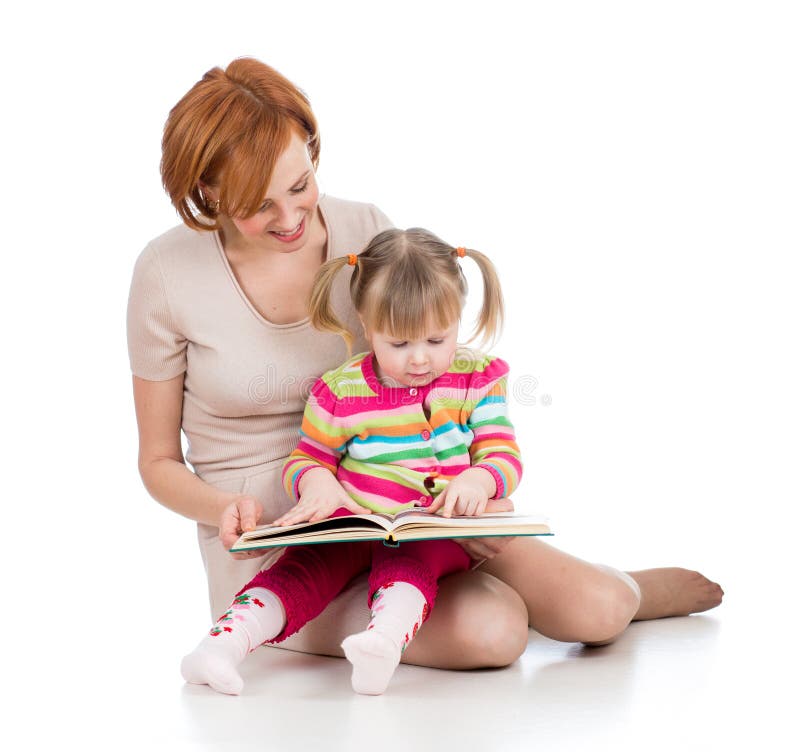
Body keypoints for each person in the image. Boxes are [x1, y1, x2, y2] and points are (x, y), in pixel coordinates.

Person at [127, 57, 722, 677]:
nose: (290, 219)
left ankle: (622, 589)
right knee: (494, 631)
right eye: (257, 204)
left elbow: (436, 376)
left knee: (598, 609)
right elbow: (157, 462)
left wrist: (475, 485)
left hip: (409, 506)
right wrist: (224, 507)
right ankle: (305, 621)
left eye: (301, 186)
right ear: (208, 190)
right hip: (278, 547)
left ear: (313, 150)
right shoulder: (166, 273)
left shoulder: (364, 230)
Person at [181, 228, 523, 695]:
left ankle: (382, 644)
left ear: (457, 320)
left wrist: (479, 481)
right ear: (367, 325)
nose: (420, 359)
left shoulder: (478, 378)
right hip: (354, 523)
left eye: (436, 339)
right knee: (302, 569)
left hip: (430, 526)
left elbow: (502, 454)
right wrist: (316, 480)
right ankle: (220, 647)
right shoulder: (340, 390)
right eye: (399, 344)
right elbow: (307, 457)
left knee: (416, 562)